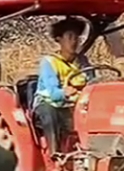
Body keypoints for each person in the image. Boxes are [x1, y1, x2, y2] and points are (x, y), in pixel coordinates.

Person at [32, 16, 88, 153]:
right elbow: (54, 94)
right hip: (49, 103)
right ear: (59, 39)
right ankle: (55, 155)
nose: (74, 41)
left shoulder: (82, 61)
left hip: (75, 103)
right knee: (50, 115)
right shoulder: (49, 62)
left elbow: (91, 81)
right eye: (70, 36)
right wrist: (64, 93)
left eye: (77, 38)